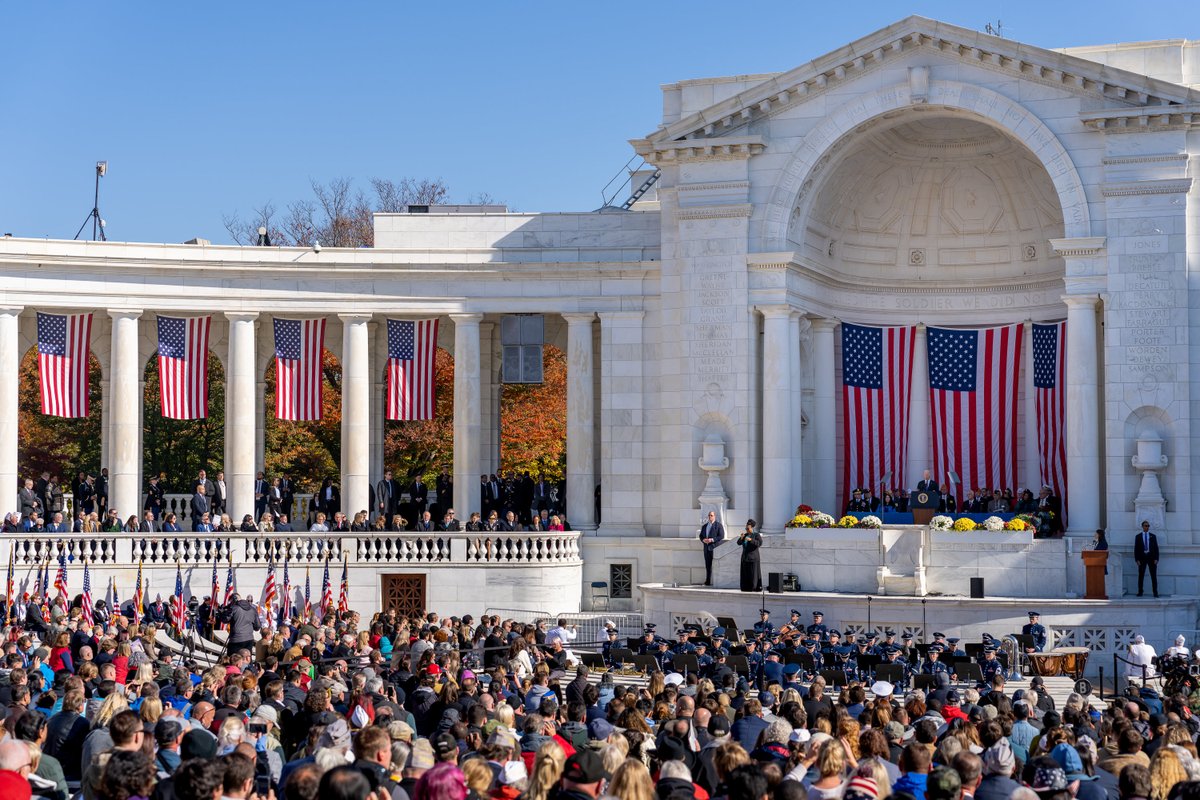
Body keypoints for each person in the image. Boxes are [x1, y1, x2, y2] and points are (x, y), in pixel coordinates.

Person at [697, 511, 724, 587]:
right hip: (706, 548)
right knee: (708, 565)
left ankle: (718, 581)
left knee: (716, 565)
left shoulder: (718, 525)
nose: (710, 517)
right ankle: (707, 581)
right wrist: (703, 540)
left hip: (715, 548)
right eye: (709, 515)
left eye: (711, 515)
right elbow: (701, 536)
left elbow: (721, 536)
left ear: (714, 516)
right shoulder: (704, 526)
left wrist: (712, 540)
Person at [1134, 520, 1160, 598]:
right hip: (1142, 558)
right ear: (1142, 526)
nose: (1147, 527)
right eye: (1146, 526)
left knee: (1153, 576)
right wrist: (1137, 559)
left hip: (1151, 558)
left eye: (1148, 526)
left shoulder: (1153, 536)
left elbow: (1156, 548)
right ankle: (1140, 591)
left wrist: (1156, 558)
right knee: (1141, 576)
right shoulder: (1138, 536)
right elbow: (1136, 549)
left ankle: (1155, 592)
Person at [736, 519, 762, 592]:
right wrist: (741, 538)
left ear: (752, 528)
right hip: (745, 558)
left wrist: (751, 540)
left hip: (753, 558)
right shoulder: (745, 535)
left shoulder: (756, 535)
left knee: (753, 574)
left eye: (748, 528)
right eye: (746, 528)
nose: (747, 530)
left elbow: (759, 543)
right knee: (745, 574)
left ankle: (753, 587)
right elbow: (738, 543)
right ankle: (745, 587)